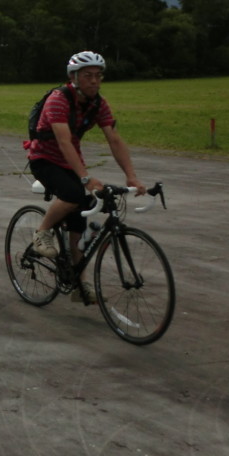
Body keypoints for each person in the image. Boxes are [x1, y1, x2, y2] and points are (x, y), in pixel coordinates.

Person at [24, 50, 143, 304]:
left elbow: (114, 139)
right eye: (88, 75)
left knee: (82, 215)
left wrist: (131, 177)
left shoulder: (98, 103)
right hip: (43, 159)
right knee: (74, 194)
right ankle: (42, 232)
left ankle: (80, 284)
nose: (94, 81)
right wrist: (86, 178)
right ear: (74, 77)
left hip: (70, 162)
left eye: (98, 76)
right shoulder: (58, 99)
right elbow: (64, 141)